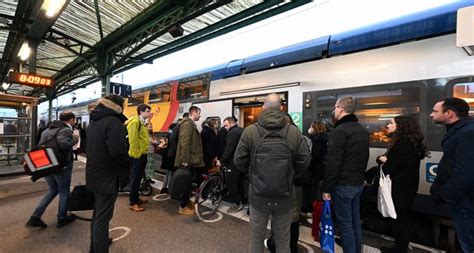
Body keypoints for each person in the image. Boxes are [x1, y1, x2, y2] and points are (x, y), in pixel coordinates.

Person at [234, 93, 310, 253]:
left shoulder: (250, 131)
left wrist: (253, 173)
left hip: (258, 196)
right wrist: (290, 175)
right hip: (285, 197)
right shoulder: (293, 132)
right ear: (281, 108)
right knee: (283, 240)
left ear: (263, 107)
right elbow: (304, 161)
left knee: (256, 239)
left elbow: (239, 161)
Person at [321, 96, 369, 253]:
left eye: (335, 107)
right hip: (357, 183)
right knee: (355, 223)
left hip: (343, 185)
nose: (334, 110)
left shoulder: (339, 131)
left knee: (345, 225)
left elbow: (333, 163)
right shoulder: (362, 130)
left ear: (340, 108)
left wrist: (327, 188)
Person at [376, 116, 429, 253]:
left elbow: (389, 168)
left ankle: (399, 249)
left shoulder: (402, 144)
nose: (389, 125)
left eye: (392, 123)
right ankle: (401, 247)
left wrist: (381, 159)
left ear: (401, 126)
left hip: (399, 186)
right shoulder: (412, 143)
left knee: (398, 219)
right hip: (409, 185)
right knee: (403, 217)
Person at [85, 95, 130, 253]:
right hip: (108, 177)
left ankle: (95, 246)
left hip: (94, 175)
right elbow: (118, 152)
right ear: (117, 107)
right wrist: (129, 161)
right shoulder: (114, 123)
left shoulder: (93, 124)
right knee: (103, 219)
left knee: (98, 215)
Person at [429, 97, 474, 253]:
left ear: (449, 113)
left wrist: (445, 193)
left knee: (469, 243)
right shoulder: (461, 130)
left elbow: (466, 173)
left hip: (465, 200)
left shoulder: (468, 132)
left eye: (435, 111)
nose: (431, 114)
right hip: (463, 199)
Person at [26, 112, 78, 228]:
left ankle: (36, 216)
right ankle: (62, 218)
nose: (74, 122)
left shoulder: (46, 131)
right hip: (61, 166)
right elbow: (65, 145)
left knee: (53, 190)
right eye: (74, 120)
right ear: (70, 120)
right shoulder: (66, 130)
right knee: (64, 192)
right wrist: (75, 138)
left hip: (48, 166)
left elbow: (41, 146)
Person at [174, 106, 204, 215]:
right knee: (184, 183)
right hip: (187, 160)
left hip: (190, 160)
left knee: (188, 183)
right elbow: (184, 143)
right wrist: (185, 160)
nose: (200, 115)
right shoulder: (187, 124)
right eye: (199, 113)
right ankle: (183, 206)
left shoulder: (190, 124)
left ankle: (186, 202)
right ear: (194, 112)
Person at [127, 103, 152, 212]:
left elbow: (143, 137)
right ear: (141, 112)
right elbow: (132, 140)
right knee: (135, 179)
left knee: (138, 179)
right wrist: (137, 154)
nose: (149, 113)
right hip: (137, 155)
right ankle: (133, 203)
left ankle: (136, 199)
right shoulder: (135, 122)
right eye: (147, 111)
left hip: (142, 154)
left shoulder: (142, 122)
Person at [216, 116, 244, 213]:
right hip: (242, 162)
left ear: (232, 124)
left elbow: (229, 149)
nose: (225, 128)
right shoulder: (241, 130)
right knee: (239, 182)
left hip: (233, 163)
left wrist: (221, 160)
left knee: (231, 182)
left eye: (226, 125)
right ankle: (242, 201)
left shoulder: (233, 133)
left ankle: (237, 203)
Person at [200, 118, 219, 182]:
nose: (217, 125)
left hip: (209, 156)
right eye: (216, 123)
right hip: (207, 157)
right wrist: (213, 155)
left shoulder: (210, 131)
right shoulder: (206, 132)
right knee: (206, 172)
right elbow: (206, 146)